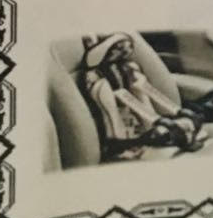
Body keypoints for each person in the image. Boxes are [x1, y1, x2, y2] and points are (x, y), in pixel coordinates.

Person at [75, 32, 205, 162]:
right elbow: (120, 94)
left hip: (144, 125)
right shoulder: (96, 80)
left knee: (136, 80)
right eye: (117, 49)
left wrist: (176, 112)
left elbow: (143, 89)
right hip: (122, 140)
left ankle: (153, 129)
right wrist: (160, 121)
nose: (121, 51)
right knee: (105, 89)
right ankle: (128, 142)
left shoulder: (127, 68)